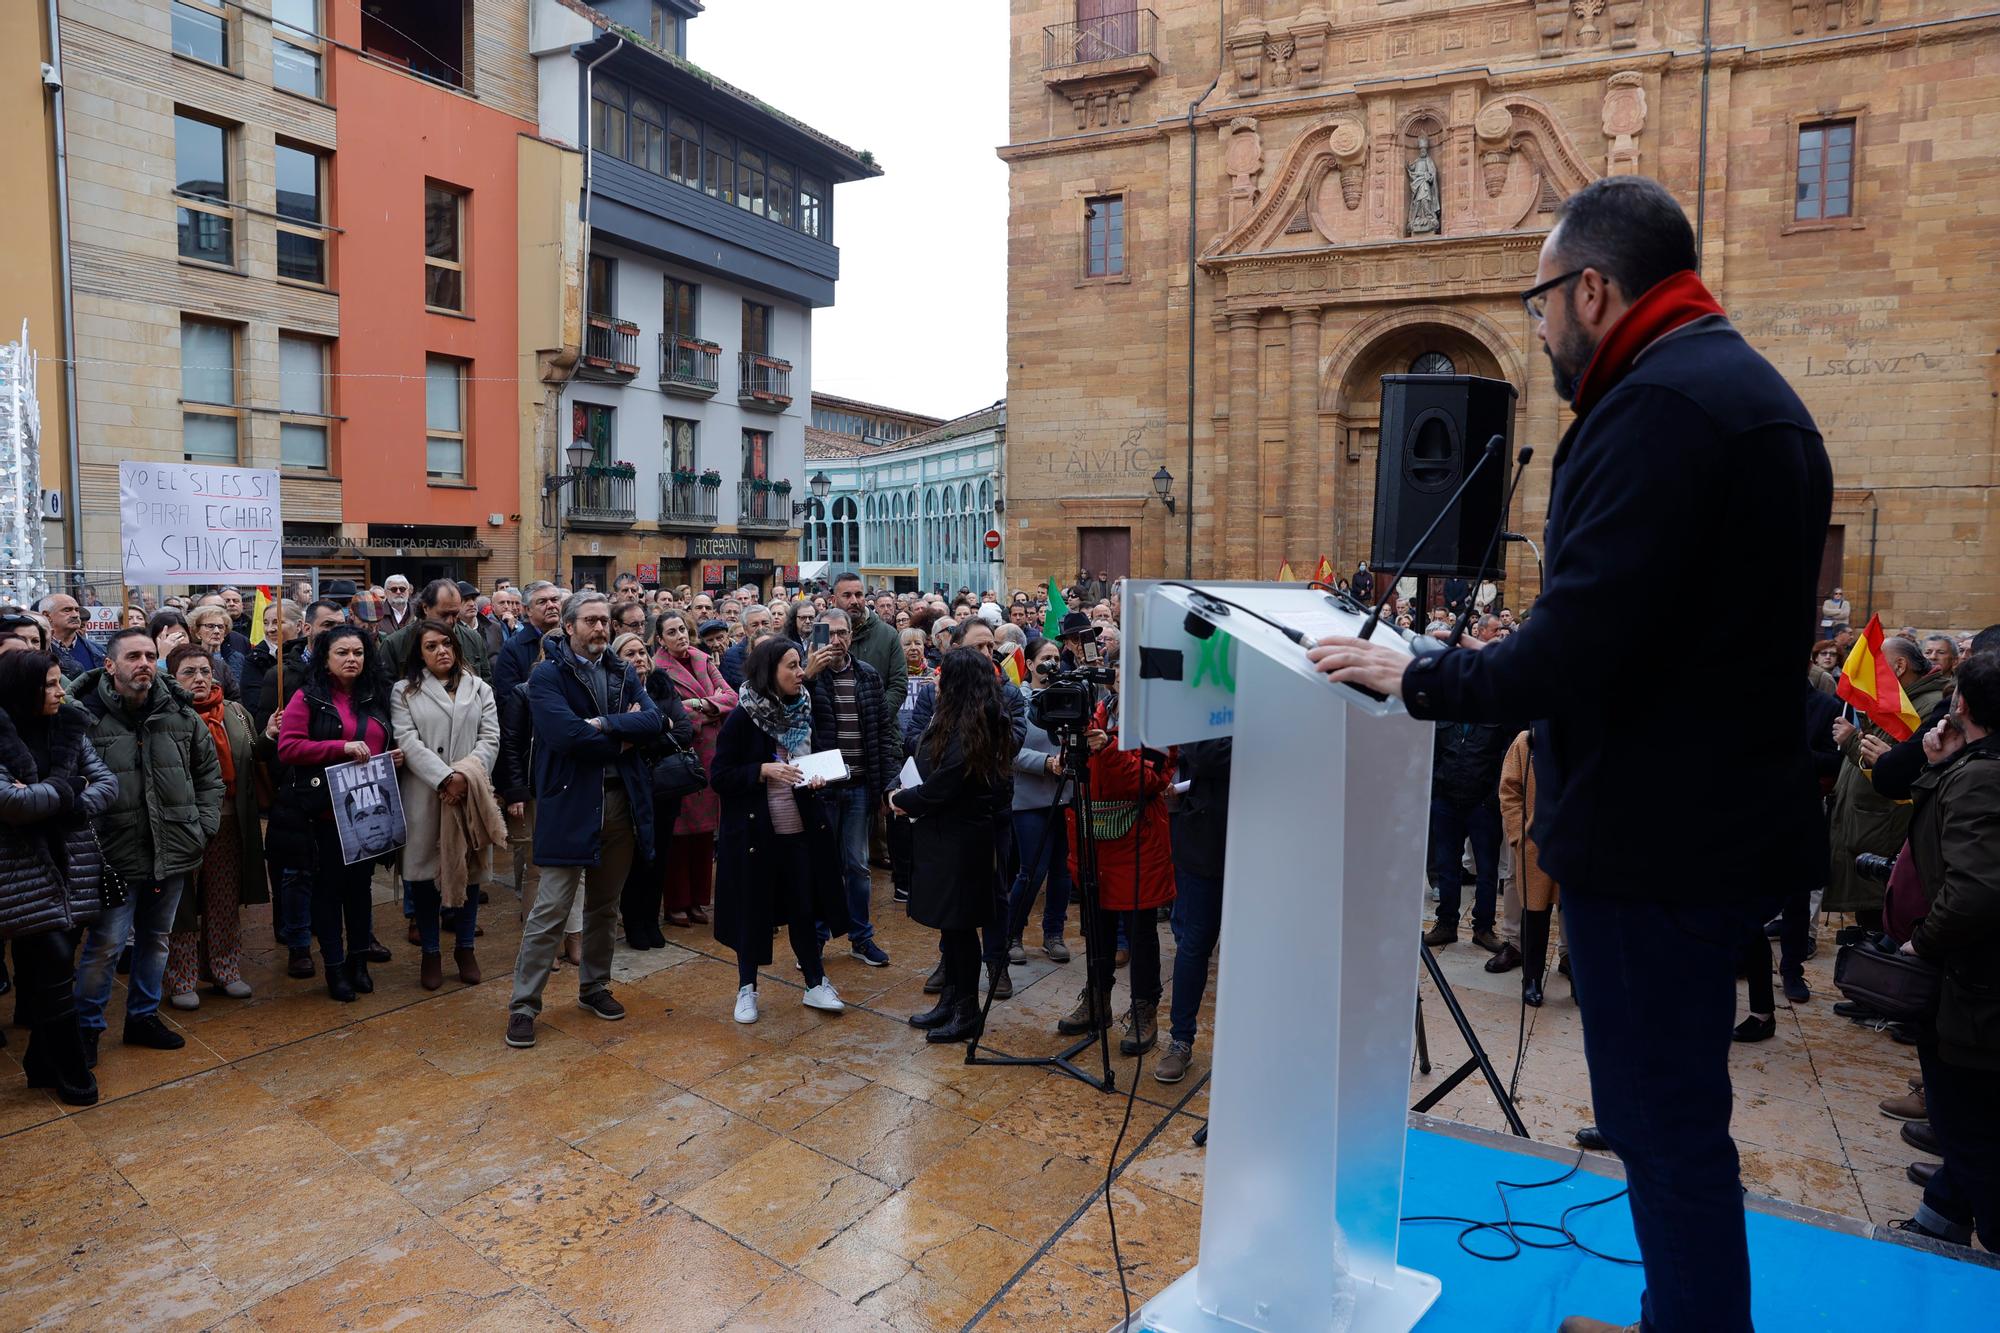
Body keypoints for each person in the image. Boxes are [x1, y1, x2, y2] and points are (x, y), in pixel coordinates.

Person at [1306, 175, 1832, 1333]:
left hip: (1654, 845)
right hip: (1719, 828)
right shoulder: (1754, 395)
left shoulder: (1650, 408)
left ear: (1591, 287)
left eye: (1540, 302)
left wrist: (1420, 675)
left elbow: (1576, 643)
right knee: (1674, 1120)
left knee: (1661, 1126)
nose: (1537, 328)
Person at [505, 592, 661, 1049]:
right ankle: (523, 1005)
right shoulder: (547, 675)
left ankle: (594, 986)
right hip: (570, 803)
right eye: (590, 621)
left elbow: (654, 723)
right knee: (550, 909)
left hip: (620, 802)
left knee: (603, 906)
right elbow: (564, 735)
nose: (599, 629)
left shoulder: (622, 670)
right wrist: (621, 732)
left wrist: (603, 726)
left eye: (604, 622)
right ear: (569, 627)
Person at [69, 629, 224, 1060]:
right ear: (109, 665)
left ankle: (142, 1016)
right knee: (105, 946)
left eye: (150, 655)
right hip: (111, 854)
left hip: (172, 846)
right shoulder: (84, 717)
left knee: (156, 939)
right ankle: (87, 1031)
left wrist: (202, 827)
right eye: (133, 656)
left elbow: (208, 775)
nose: (144, 663)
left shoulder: (178, 713)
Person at [1896, 650, 2000, 1249]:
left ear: (1960, 704)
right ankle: (1939, 1224)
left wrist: (1921, 942)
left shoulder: (1983, 776)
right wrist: (1938, 766)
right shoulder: (1974, 767)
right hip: (1974, 984)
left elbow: (1974, 891)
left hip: (1974, 986)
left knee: (1968, 1128)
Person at [0, 651, 118, 1104]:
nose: (61, 691)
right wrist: (70, 791)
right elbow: (10, 804)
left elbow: (106, 784)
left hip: (75, 863)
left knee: (52, 969)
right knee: (53, 968)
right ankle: (73, 1072)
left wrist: (47, 798)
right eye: (50, 684)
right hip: (20, 872)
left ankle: (38, 1062)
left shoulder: (68, 724)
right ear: (22, 688)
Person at [710, 637, 848, 1024]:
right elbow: (719, 775)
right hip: (755, 836)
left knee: (804, 909)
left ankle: (816, 983)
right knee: (752, 912)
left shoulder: (803, 709)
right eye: (790, 665)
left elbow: (814, 755)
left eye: (799, 664)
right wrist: (761, 770)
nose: (800, 672)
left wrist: (819, 778)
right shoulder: (743, 716)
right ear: (769, 671)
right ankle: (746, 989)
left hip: (800, 830)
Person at [273, 624, 400, 1002]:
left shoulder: (377, 696)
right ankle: (333, 967)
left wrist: (392, 757)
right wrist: (340, 748)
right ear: (326, 659)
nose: (351, 659)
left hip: (369, 812)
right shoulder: (308, 697)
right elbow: (289, 748)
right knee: (328, 893)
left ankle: (358, 961)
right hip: (324, 815)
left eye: (358, 653)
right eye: (342, 653)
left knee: (361, 891)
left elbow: (379, 743)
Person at [893, 649, 1013, 1044]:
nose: (936, 680)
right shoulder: (957, 718)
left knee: (961, 930)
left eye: (943, 674)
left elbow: (947, 782)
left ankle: (967, 1010)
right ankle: (950, 1000)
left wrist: (902, 800)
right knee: (951, 928)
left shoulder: (978, 724)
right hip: (944, 835)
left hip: (962, 841)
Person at [1058, 644, 1174, 1053]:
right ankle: (1097, 999)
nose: (1122, 678)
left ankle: (1144, 1011)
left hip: (1137, 838)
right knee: (1096, 926)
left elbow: (1150, 781)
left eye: (1132, 672)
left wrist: (1106, 749)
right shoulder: (1098, 709)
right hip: (1094, 837)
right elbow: (1075, 768)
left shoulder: (1159, 720)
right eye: (1119, 670)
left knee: (1141, 934)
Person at [391, 621, 502, 990]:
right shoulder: (404, 691)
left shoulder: (479, 687)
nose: (441, 651)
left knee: (469, 874)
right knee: (423, 877)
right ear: (418, 653)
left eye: (446, 644)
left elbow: (491, 737)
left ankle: (465, 948)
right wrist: (443, 778)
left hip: (468, 792)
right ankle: (431, 952)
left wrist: (464, 775)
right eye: (431, 646)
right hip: (425, 794)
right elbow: (406, 740)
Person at [161, 646, 267, 1011]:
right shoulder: (163, 716)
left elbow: (252, 760)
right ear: (171, 678)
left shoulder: (235, 713)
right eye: (189, 672)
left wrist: (269, 736)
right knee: (182, 905)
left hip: (229, 821)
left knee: (223, 899)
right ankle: (182, 977)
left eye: (205, 671)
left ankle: (224, 969)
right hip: (183, 827)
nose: (200, 679)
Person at [1826, 637, 1948, 936]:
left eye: (1874, 665)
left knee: (1882, 925)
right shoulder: (1900, 699)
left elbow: (1895, 767)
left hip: (1883, 833)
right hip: (1868, 831)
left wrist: (1853, 741)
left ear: (1899, 665)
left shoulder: (1925, 705)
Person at [801, 608, 898, 968]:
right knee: (822, 866)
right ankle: (815, 939)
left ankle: (861, 937)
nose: (838, 640)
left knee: (857, 866)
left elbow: (882, 732)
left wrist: (887, 783)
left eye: (844, 633)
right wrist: (808, 676)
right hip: (823, 786)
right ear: (818, 637)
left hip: (859, 786)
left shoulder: (867, 675)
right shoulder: (808, 676)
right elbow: (793, 720)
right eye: (831, 634)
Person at [611, 631, 693, 950]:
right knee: (635, 858)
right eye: (629, 654)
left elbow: (684, 731)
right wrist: (660, 726)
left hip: (664, 785)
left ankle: (651, 919)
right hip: (631, 787)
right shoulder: (614, 692)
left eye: (642, 653)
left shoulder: (660, 686)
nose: (639, 659)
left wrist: (645, 732)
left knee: (659, 856)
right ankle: (633, 922)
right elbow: (616, 736)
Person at [654, 609, 735, 928]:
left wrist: (701, 704)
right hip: (680, 756)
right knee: (678, 835)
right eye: (671, 632)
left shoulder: (703, 658)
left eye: (682, 630)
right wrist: (709, 711)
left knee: (704, 834)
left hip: (712, 757)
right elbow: (671, 715)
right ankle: (676, 903)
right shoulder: (657, 669)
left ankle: (699, 900)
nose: (680, 636)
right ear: (660, 639)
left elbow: (731, 696)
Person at [1007, 637, 1074, 965]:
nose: (1052, 664)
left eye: (1056, 657)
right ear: (1030, 664)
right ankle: (1012, 933)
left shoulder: (1070, 694)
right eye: (1045, 658)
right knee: (1032, 871)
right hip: (1031, 799)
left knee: (1063, 871)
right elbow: (1009, 750)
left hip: (1067, 797)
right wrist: (1046, 763)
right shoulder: (1017, 701)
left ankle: (1053, 933)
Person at [1422, 718, 1514, 952]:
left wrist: (1492, 800)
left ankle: (1483, 928)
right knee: (1446, 868)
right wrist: (1435, 793)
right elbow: (1432, 753)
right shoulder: (1444, 711)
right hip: (1446, 803)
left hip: (1482, 806)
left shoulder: (1495, 712)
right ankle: (1446, 924)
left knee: (1487, 871)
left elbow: (1506, 758)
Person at [1495, 727, 1565, 1007]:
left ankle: (1580, 979)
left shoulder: (1587, 738)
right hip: (1536, 842)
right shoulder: (1527, 740)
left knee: (1578, 912)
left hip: (1575, 842)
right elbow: (1509, 790)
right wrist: (1518, 832)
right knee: (1535, 913)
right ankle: (1532, 979)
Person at [890, 627, 938, 906]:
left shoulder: (934, 678)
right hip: (899, 753)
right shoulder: (892, 675)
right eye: (907, 644)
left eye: (918, 643)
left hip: (927, 754)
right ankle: (903, 880)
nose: (913, 648)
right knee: (899, 819)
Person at [380, 578, 491, 683]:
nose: (450, 621)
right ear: (425, 608)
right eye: (444, 614)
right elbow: (386, 691)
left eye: (455, 614)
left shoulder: (473, 639)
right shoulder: (394, 644)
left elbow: (487, 684)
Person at [494, 581, 566, 697]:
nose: (551, 605)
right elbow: (508, 698)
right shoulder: (512, 648)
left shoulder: (574, 641)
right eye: (542, 602)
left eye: (554, 600)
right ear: (527, 610)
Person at [186, 605, 246, 702]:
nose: (217, 631)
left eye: (221, 627)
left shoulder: (238, 658)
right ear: (197, 632)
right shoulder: (187, 659)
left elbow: (237, 695)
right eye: (210, 626)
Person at [37, 593, 104, 678]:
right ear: (46, 615)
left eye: (76, 610)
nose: (75, 615)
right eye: (67, 610)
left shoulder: (99, 651)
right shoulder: (36, 651)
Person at [718, 604, 771, 688]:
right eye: (755, 625)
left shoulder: (787, 649)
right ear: (745, 629)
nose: (761, 628)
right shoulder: (730, 657)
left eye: (765, 623)